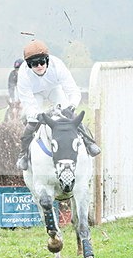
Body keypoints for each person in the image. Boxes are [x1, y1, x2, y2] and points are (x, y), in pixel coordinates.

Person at [15, 39, 101, 170]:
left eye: (42, 62)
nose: (39, 66)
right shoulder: (23, 73)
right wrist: (37, 116)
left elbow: (73, 91)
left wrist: (71, 106)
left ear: (47, 60)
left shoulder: (58, 65)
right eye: (34, 64)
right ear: (28, 64)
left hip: (54, 90)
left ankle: (89, 142)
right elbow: (28, 103)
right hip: (35, 95)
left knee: (71, 116)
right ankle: (23, 154)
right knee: (32, 121)